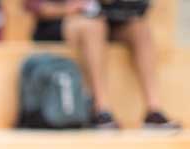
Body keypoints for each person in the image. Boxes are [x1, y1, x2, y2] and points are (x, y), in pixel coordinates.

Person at [25, 0, 180, 129]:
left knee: (139, 28)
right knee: (94, 26)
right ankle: (101, 110)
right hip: (61, 20)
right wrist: (69, 8)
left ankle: (154, 110)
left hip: (107, 18)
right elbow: (33, 6)